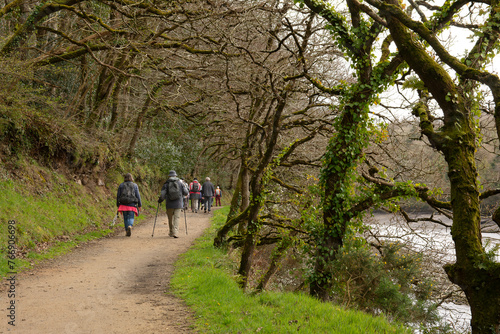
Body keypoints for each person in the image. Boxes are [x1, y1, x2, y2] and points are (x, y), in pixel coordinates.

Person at [158, 170, 188, 238]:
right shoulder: (180, 183)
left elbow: (162, 195)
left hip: (169, 204)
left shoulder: (166, 184)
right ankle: (175, 232)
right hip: (178, 204)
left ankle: (171, 232)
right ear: (175, 176)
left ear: (169, 176)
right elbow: (186, 192)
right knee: (177, 218)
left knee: (170, 218)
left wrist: (160, 200)